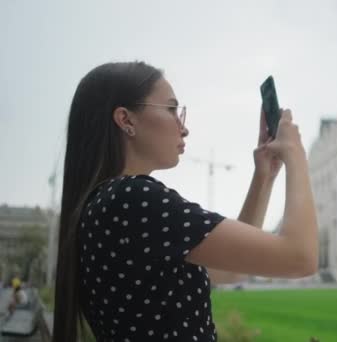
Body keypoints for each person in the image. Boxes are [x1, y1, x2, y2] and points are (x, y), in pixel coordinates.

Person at [52, 61, 318, 342]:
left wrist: (264, 176)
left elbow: (231, 270)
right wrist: (296, 155)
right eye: (171, 109)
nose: (183, 127)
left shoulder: (107, 206)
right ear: (126, 120)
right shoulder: (133, 199)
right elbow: (300, 257)